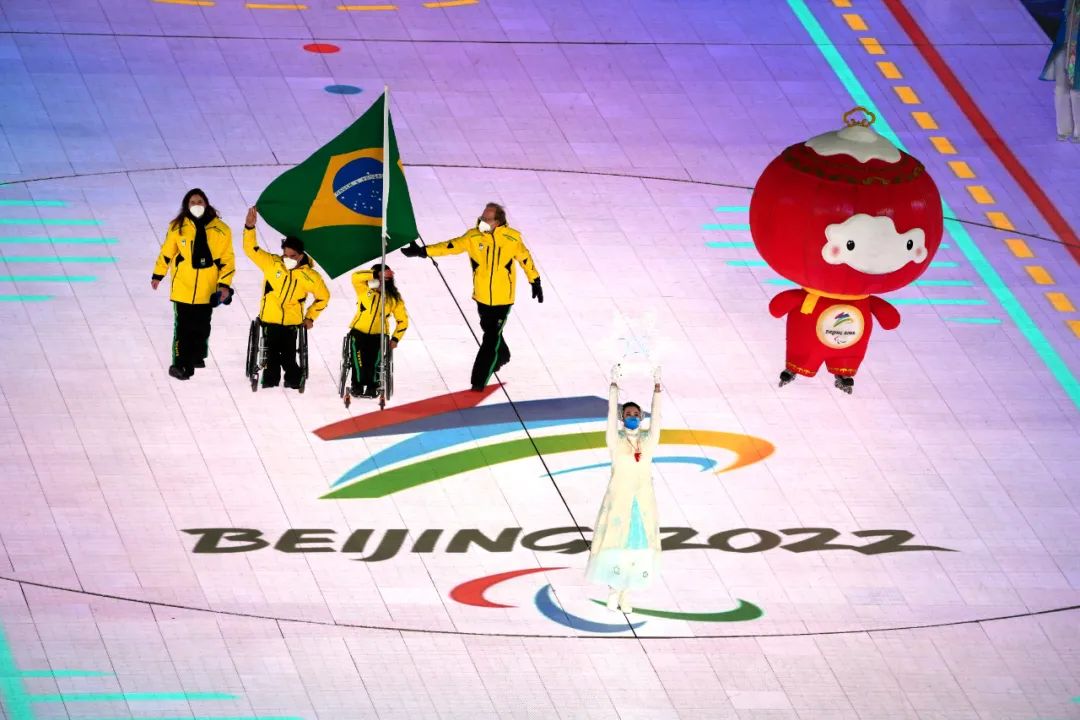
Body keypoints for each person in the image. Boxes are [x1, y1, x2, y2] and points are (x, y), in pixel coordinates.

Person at [399, 202, 543, 391]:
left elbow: (525, 259)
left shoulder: (512, 238)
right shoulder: (473, 236)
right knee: (490, 330)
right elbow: (450, 246)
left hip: (503, 300)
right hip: (481, 297)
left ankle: (478, 381)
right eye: (482, 217)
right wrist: (422, 251)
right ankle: (503, 355)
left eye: (486, 218)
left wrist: (535, 280)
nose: (481, 220)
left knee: (490, 339)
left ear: (498, 222)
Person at [586, 363, 662, 615]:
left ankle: (626, 593)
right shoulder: (615, 442)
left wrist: (657, 388)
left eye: (635, 414)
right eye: (627, 413)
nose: (631, 416)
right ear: (622, 417)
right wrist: (613, 387)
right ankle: (613, 590)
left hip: (642, 503)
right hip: (619, 501)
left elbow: (657, 420)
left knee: (636, 549)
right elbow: (610, 417)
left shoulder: (648, 443)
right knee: (615, 547)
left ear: (641, 418)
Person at [151, 188, 235, 381]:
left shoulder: (222, 230)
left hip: (207, 290)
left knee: (201, 328)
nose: (196, 205)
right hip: (183, 289)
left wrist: (224, 284)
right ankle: (180, 365)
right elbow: (166, 253)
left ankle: (197, 357)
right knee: (182, 329)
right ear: (186, 206)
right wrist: (158, 275)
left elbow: (227, 260)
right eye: (192, 202)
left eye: (199, 201)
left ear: (206, 203)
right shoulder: (177, 227)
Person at [243, 207, 330, 389]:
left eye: (293, 256)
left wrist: (310, 317)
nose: (288, 258)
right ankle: (270, 379)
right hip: (270, 319)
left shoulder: (310, 276)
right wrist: (249, 227)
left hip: (292, 322)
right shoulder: (272, 264)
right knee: (272, 354)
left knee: (288, 356)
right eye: (285, 254)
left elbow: (323, 297)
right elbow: (251, 249)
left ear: (301, 256)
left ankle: (293, 379)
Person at [348, 263, 409, 398]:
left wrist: (395, 338)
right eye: (379, 279)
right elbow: (355, 277)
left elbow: (403, 321)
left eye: (385, 279)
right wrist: (376, 275)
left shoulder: (394, 298)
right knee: (358, 361)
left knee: (374, 361)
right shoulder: (363, 289)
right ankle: (357, 385)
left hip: (379, 334)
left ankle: (373, 386)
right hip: (359, 331)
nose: (382, 282)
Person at [1041, 0, 1080, 141]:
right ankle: (1063, 129)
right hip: (1064, 46)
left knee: (1076, 89)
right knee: (1061, 87)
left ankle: (1078, 131)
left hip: (1075, 49)